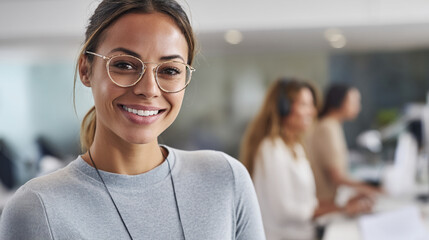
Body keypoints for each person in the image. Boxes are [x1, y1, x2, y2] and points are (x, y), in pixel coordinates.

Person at [0, 1, 265, 239]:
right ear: (85, 69)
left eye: (170, 70)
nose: (148, 89)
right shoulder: (36, 208)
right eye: (125, 65)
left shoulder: (225, 179)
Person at [240, 78, 354, 240]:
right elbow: (285, 210)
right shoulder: (271, 149)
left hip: (304, 234)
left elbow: (307, 202)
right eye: (304, 105)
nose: (313, 111)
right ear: (283, 108)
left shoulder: (295, 147)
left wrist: (343, 206)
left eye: (312, 105)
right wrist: (342, 209)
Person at [305, 84, 379, 214]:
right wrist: (370, 189)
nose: (358, 106)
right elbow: (336, 176)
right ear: (340, 101)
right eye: (354, 101)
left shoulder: (333, 125)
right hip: (324, 206)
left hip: (330, 201)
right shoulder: (327, 127)